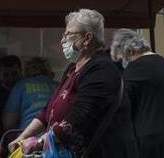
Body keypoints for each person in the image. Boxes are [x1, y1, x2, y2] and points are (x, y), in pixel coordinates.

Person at [9, 9, 138, 158]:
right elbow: (49, 110)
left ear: (87, 38)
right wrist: (22, 137)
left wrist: (38, 142)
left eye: (69, 34)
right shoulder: (72, 68)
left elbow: (78, 119)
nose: (63, 40)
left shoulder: (101, 69)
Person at [111, 29, 164, 158]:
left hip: (147, 143)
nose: (123, 64)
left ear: (129, 51)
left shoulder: (135, 69)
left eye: (121, 59)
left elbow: (122, 110)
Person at [3, 57, 58, 131]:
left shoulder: (20, 86)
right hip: (53, 137)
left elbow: (8, 123)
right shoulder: (58, 86)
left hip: (28, 137)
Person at [0, 55, 22, 133]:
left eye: (14, 74)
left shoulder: (27, 89)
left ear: (21, 71)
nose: (10, 79)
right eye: (6, 75)